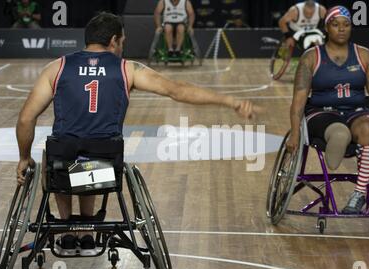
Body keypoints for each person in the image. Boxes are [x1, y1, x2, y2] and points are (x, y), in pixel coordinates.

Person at [15, 12, 256, 255]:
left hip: (62, 168)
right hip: (105, 167)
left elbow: (26, 118)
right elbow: (177, 90)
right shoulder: (127, 69)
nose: (122, 46)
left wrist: (24, 158)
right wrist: (228, 101)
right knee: (90, 157)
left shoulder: (56, 68)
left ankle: (67, 229)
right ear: (113, 41)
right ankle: (87, 229)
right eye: (122, 41)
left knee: (57, 155)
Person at [287, 6, 369, 214]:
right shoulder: (311, 57)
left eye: (346, 25)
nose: (341, 29)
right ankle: (339, 139)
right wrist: (295, 133)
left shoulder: (364, 55)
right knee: (340, 131)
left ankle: (358, 194)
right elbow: (298, 101)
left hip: (356, 111)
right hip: (321, 112)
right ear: (327, 28)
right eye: (335, 25)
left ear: (351, 27)